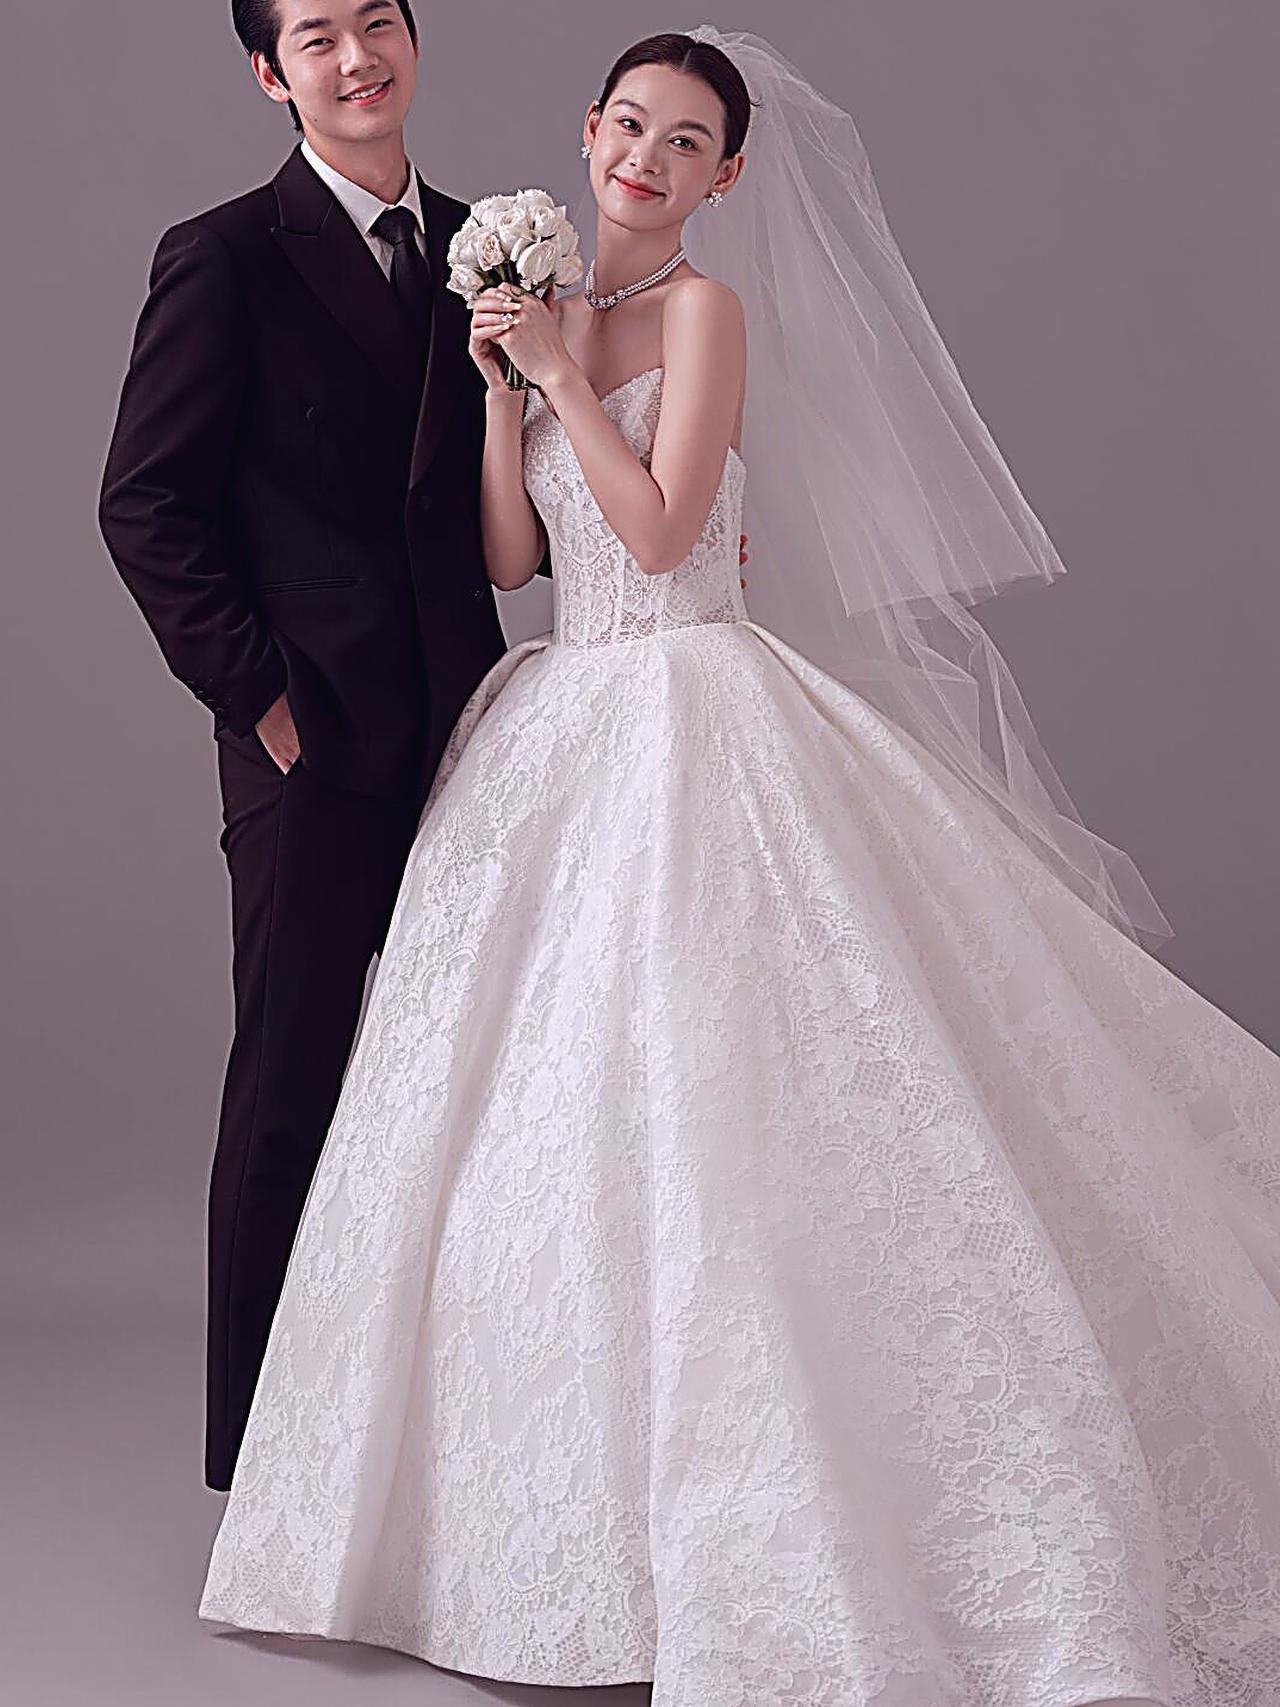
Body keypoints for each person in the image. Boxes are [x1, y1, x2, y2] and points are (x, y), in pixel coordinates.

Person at [197, 28, 1280, 1707]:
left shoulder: (705, 314)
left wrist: (560, 380)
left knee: (743, 1092)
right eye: (628, 126)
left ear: (727, 175)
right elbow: (513, 554)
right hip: (562, 715)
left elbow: (659, 531)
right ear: (587, 133)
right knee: (542, 1106)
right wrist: (504, 388)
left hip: (695, 704)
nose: (645, 160)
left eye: (685, 142)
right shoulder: (548, 308)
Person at [97, 0, 744, 1495]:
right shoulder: (224, 256)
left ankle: (437, 1457)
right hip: (312, 742)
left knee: (468, 1083)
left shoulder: (493, 250)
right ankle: (259, 1467)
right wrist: (263, 704)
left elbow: (526, 511)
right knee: (293, 1080)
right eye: (317, 37)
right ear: (272, 75)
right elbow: (145, 507)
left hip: (486, 734)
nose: (357, 59)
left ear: (411, 39)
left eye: (377, 23)